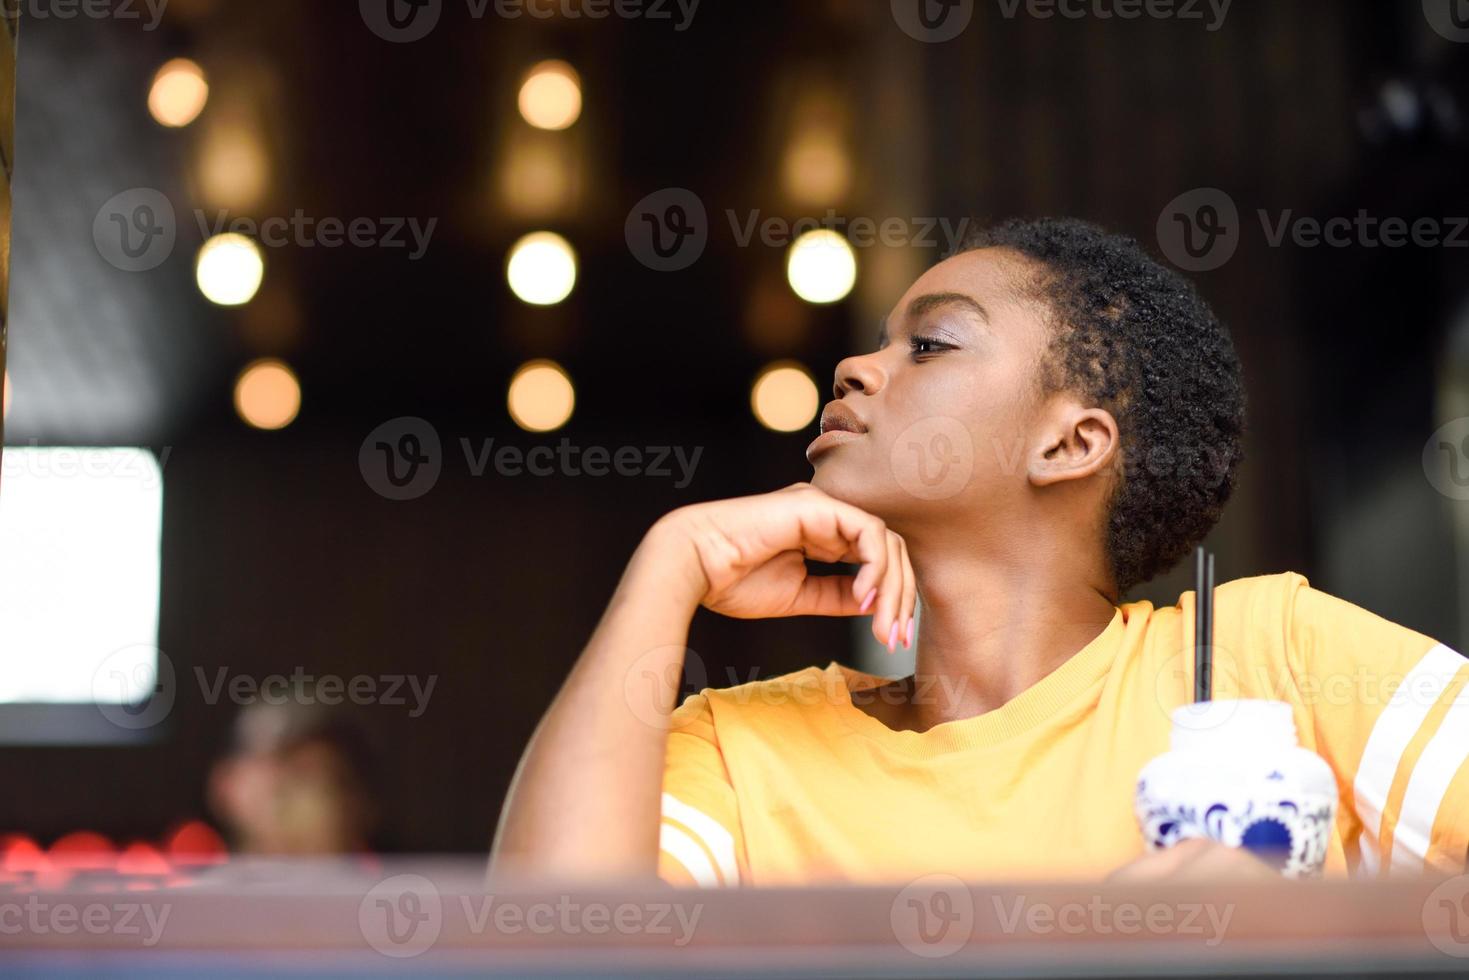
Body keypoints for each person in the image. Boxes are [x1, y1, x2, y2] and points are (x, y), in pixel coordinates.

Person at [491, 218, 1469, 885]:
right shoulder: (740, 747)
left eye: (931, 345)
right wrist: (668, 563)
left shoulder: (1267, 656)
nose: (855, 366)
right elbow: (548, 950)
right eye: (881, 340)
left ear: (1070, 442)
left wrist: (1314, 929)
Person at [209, 694, 379, 856]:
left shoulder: (385, 883)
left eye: (338, 779)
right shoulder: (195, 883)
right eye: (290, 769)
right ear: (226, 784)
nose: (316, 794)